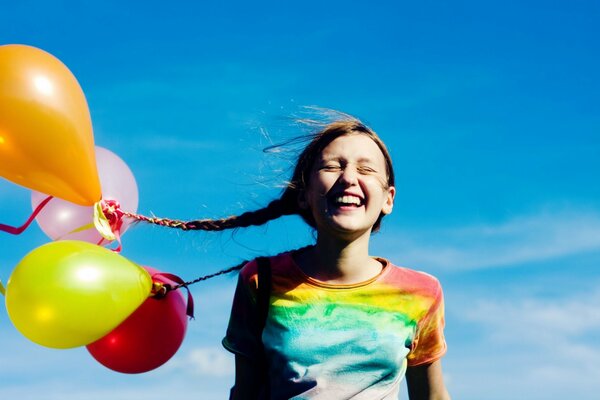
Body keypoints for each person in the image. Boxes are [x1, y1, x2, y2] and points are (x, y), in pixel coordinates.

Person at [219, 114, 450, 399]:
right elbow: (245, 392)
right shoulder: (260, 279)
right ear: (304, 195)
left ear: (388, 199)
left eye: (366, 169)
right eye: (332, 166)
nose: (349, 178)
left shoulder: (420, 292)